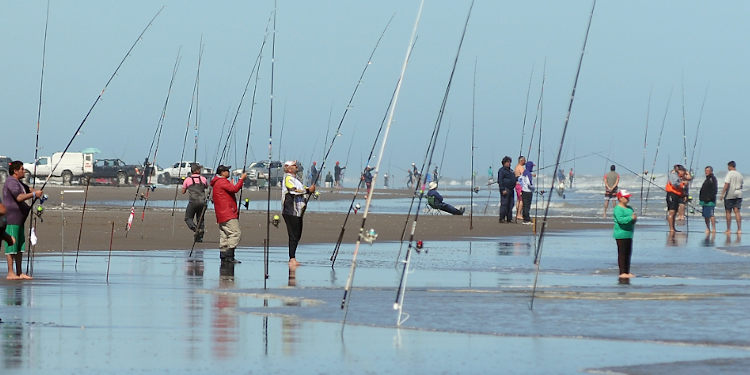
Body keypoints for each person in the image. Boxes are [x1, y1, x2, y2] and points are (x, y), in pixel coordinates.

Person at [3, 161, 41, 280]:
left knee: (19, 247)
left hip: (19, 220)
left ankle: (19, 273)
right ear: (15, 171)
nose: (24, 171)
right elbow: (19, 197)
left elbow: (29, 189)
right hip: (11, 219)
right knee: (11, 245)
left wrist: (37, 193)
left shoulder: (18, 182)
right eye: (22, 169)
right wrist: (34, 195)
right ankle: (10, 273)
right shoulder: (11, 182)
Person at [210, 165, 247, 264]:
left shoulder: (217, 182)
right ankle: (229, 256)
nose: (229, 172)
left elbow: (231, 189)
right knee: (235, 233)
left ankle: (223, 255)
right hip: (227, 213)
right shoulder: (221, 182)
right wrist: (241, 179)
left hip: (221, 213)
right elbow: (234, 189)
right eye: (227, 171)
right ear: (222, 172)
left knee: (224, 234)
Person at [281, 160, 315, 267]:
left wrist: (309, 189)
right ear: (290, 168)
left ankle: (293, 257)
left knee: (297, 235)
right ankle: (292, 259)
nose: (297, 167)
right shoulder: (288, 178)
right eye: (295, 166)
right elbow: (293, 190)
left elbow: (302, 188)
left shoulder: (295, 179)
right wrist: (308, 191)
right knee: (293, 235)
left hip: (298, 212)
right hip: (291, 211)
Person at [612, 189, 636, 279]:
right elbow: (621, 220)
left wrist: (634, 219)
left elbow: (633, 218)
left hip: (629, 233)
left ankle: (627, 271)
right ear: (620, 198)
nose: (627, 199)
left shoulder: (630, 208)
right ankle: (622, 272)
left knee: (628, 253)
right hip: (620, 234)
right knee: (622, 253)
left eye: (628, 197)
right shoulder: (617, 209)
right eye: (626, 198)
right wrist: (630, 218)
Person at [181, 164, 208, 242]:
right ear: (197, 171)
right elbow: (206, 187)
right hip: (202, 202)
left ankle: (195, 229)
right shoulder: (203, 179)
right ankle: (200, 237)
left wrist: (186, 187)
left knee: (188, 218)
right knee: (200, 219)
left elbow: (183, 191)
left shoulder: (188, 180)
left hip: (193, 202)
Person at [665, 164, 692, 233]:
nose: (684, 173)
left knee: (675, 212)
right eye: (683, 171)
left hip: (678, 195)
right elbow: (675, 184)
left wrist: (685, 195)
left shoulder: (682, 177)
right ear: (679, 170)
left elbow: (690, 178)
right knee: (672, 211)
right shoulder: (673, 175)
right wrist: (683, 183)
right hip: (672, 194)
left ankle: (673, 228)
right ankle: (671, 228)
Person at [720, 160, 743, 234]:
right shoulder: (740, 174)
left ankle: (728, 229)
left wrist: (722, 194)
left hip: (730, 194)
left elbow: (726, 184)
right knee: (737, 211)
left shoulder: (729, 174)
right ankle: (739, 229)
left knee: (728, 212)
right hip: (739, 194)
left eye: (728, 167)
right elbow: (741, 185)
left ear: (730, 166)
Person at [699, 166, 718, 234]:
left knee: (711, 214)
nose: (706, 172)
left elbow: (714, 190)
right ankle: (707, 228)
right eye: (705, 170)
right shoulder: (707, 179)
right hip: (704, 200)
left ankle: (713, 228)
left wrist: (710, 198)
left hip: (710, 200)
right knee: (705, 215)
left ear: (711, 171)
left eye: (707, 170)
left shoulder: (712, 179)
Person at [497, 156, 515, 223]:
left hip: (511, 189)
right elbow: (500, 181)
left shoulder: (511, 170)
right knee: (504, 204)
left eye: (510, 162)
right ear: (504, 163)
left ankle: (509, 218)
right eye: (508, 162)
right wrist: (502, 190)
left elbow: (514, 178)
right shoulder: (501, 170)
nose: (509, 164)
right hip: (505, 189)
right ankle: (501, 218)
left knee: (511, 204)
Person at [514, 156, 526, 221]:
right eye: (524, 160)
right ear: (521, 161)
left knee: (518, 200)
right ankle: (519, 214)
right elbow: (524, 175)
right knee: (522, 200)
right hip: (520, 185)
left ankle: (517, 214)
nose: (525, 162)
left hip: (517, 185)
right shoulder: (521, 167)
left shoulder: (516, 167)